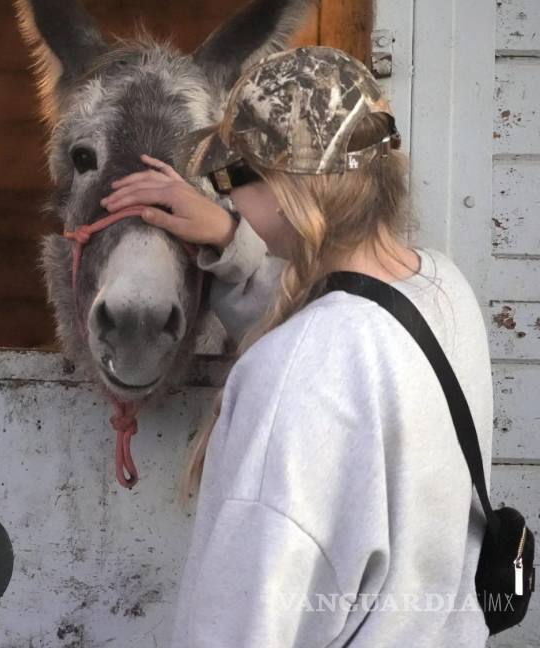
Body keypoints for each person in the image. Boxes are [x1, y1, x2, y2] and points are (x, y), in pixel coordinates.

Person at [101, 47, 492, 646]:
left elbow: (240, 627)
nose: (224, 195)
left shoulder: (294, 371)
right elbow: (353, 336)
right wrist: (231, 240)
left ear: (283, 189)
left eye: (230, 178)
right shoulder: (441, 288)